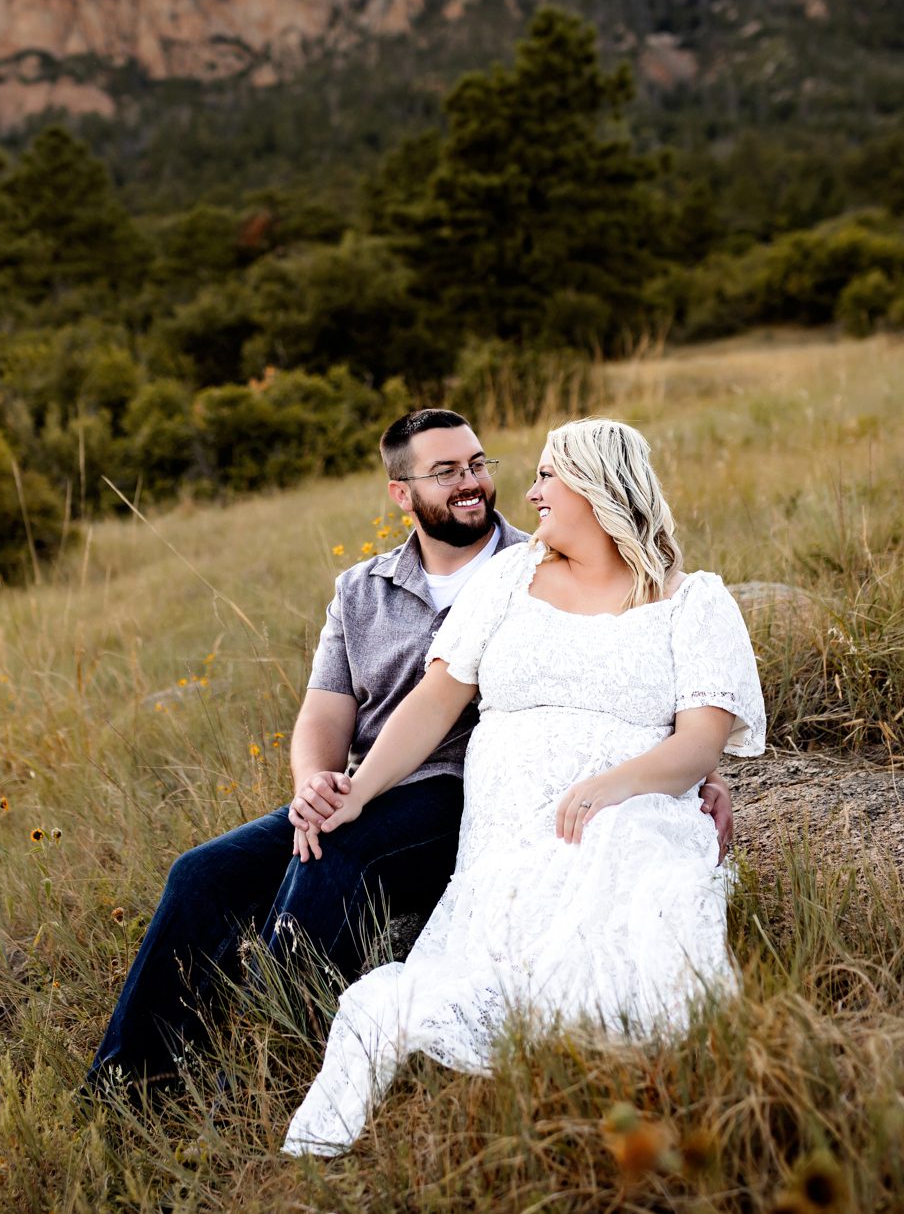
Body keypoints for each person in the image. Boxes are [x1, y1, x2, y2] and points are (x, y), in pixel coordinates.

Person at [87, 407, 736, 1095]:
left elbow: (634, 685)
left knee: (332, 855)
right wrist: (323, 784)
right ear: (402, 492)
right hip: (381, 777)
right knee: (203, 873)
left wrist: (701, 769)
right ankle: (126, 1085)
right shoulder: (366, 589)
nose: (476, 483)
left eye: (480, 465)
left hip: (456, 792)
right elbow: (331, 709)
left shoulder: (541, 558)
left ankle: (258, 1067)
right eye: (448, 471)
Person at [282, 416, 767, 1156]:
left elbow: (699, 740)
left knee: (629, 926)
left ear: (599, 488)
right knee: (491, 960)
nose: (531, 492)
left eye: (547, 475)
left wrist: (611, 785)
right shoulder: (511, 577)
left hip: (624, 808)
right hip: (507, 827)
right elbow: (434, 702)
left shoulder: (694, 601)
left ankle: (633, 1098)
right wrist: (358, 786)